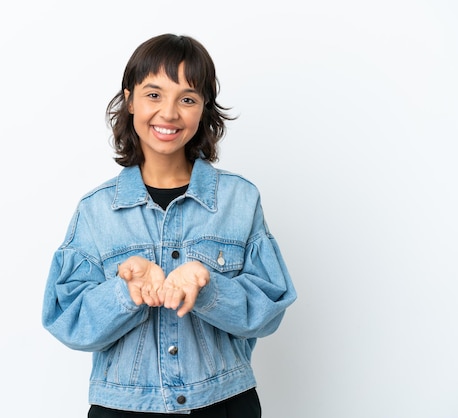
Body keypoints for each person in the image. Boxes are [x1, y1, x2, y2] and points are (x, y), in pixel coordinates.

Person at [42, 33, 297, 417]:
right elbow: (67, 320)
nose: (170, 113)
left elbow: (268, 310)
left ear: (204, 109)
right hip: (123, 408)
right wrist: (125, 292)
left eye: (188, 99)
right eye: (154, 94)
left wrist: (208, 287)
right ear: (130, 100)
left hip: (224, 403)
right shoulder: (96, 211)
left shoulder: (239, 200)